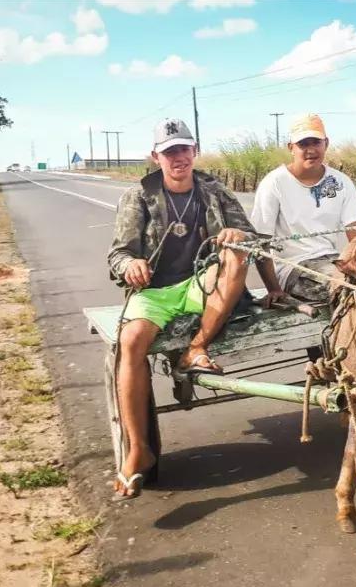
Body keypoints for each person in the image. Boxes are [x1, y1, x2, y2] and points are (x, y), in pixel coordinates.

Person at [107, 118, 256, 498]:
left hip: (200, 283)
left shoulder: (215, 190)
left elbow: (253, 236)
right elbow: (118, 254)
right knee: (132, 341)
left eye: (184, 149)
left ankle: (196, 348)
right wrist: (131, 265)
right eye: (170, 151)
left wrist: (238, 235)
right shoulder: (137, 196)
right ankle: (138, 449)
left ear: (195, 152)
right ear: (156, 157)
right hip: (155, 289)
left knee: (236, 257)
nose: (178, 158)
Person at [250, 113, 356, 305]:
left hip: (332, 261)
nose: (311, 150)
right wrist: (273, 289)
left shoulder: (341, 182)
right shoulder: (275, 183)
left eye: (316, 142)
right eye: (303, 144)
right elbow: (260, 243)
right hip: (292, 268)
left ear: (326, 144)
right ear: (291, 148)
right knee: (346, 289)